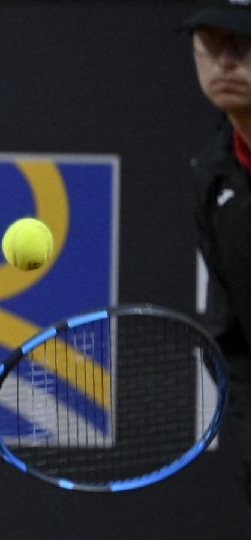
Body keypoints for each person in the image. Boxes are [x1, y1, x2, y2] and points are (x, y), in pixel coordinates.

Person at [182, 0, 251, 510]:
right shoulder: (211, 173)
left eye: (245, 43)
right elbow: (233, 335)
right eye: (212, 43)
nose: (226, 61)